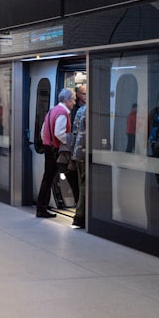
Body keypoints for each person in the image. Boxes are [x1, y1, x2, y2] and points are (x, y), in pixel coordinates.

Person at [35, 88, 75, 218]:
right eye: (73, 100)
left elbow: (43, 131)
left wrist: (47, 141)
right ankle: (79, 209)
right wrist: (69, 141)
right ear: (67, 100)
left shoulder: (51, 111)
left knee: (47, 179)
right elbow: (59, 132)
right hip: (56, 150)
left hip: (48, 148)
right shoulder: (63, 113)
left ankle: (41, 208)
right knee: (70, 176)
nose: (74, 102)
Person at [71, 95, 88, 228]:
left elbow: (74, 132)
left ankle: (80, 214)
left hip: (78, 152)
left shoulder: (81, 110)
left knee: (81, 183)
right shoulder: (91, 111)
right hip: (85, 153)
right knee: (85, 186)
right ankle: (80, 216)